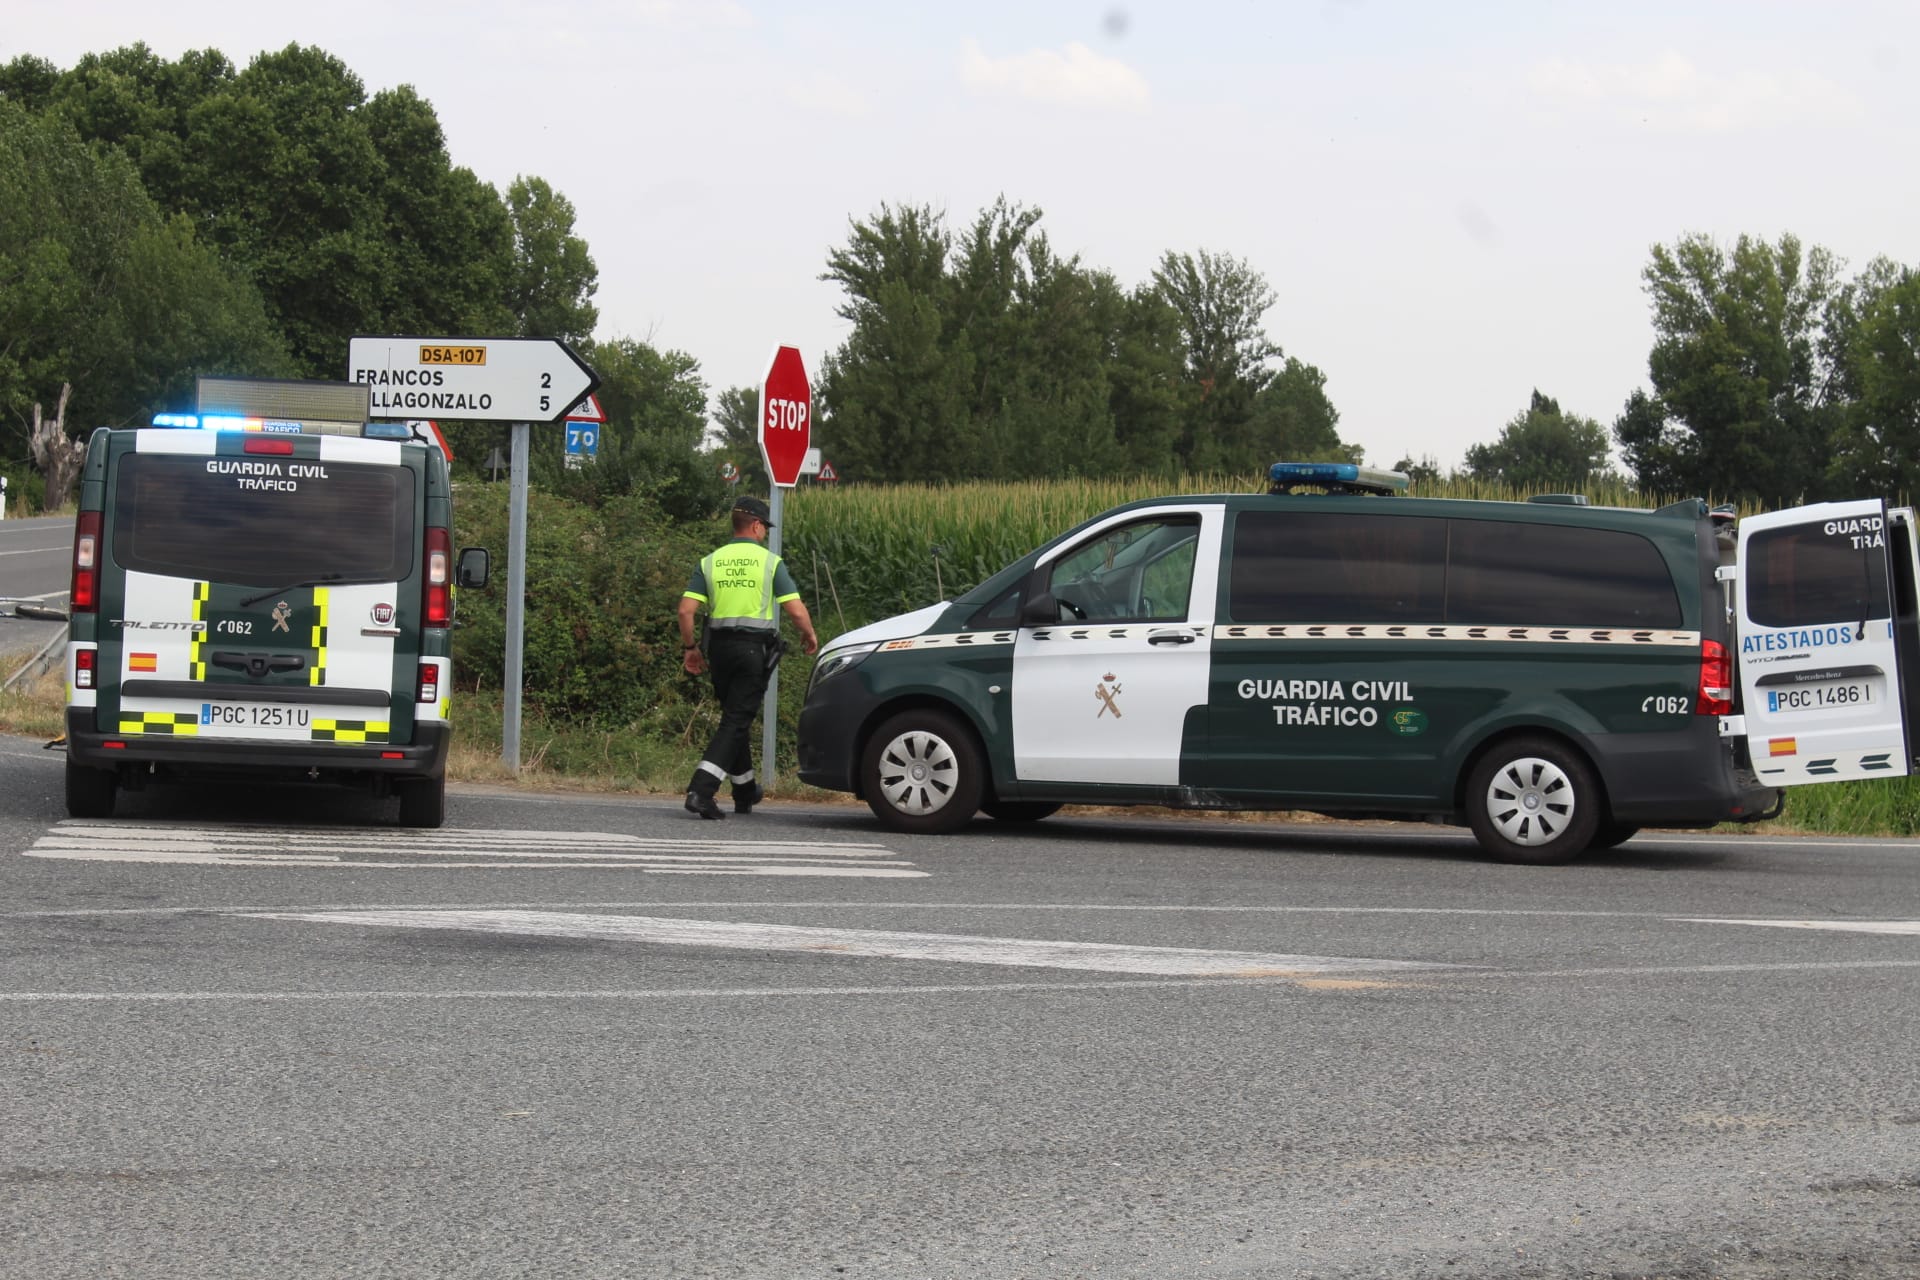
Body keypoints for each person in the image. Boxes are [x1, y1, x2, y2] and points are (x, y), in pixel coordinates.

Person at [678, 495, 818, 819]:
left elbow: (686, 610)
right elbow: (796, 611)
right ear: (756, 525)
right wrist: (809, 634)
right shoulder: (769, 562)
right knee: (736, 720)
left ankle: (745, 791)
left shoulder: (710, 561)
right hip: (752, 651)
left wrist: (690, 649)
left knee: (734, 718)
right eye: (764, 528)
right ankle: (701, 790)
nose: (765, 533)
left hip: (719, 651)